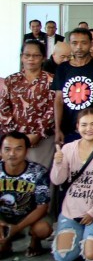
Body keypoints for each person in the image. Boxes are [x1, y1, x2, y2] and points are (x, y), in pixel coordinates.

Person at [50, 109, 93, 261]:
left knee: (91, 255)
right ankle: (81, 236)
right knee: (63, 256)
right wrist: (58, 163)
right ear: (77, 126)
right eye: (84, 125)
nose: (89, 128)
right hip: (71, 211)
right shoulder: (68, 148)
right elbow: (57, 180)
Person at [50, 27, 93, 146]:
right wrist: (58, 129)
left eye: (83, 43)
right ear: (70, 45)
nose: (79, 47)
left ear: (90, 44)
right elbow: (58, 100)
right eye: (74, 43)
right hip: (69, 129)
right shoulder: (62, 68)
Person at [0, 41, 56, 169]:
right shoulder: (11, 80)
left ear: (43, 58)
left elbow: (52, 110)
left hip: (42, 140)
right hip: (14, 139)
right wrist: (15, 135)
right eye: (27, 55)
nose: (31, 59)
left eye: (36, 55)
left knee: (39, 174)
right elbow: (4, 109)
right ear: (21, 57)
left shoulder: (52, 80)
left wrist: (38, 134)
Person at [0, 131, 51, 259]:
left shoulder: (39, 172)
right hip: (3, 217)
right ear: (1, 151)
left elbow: (42, 207)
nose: (12, 154)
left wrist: (16, 228)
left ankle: (35, 241)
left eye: (18, 149)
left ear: (26, 151)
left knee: (42, 229)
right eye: (7, 149)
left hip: (29, 218)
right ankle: (6, 243)